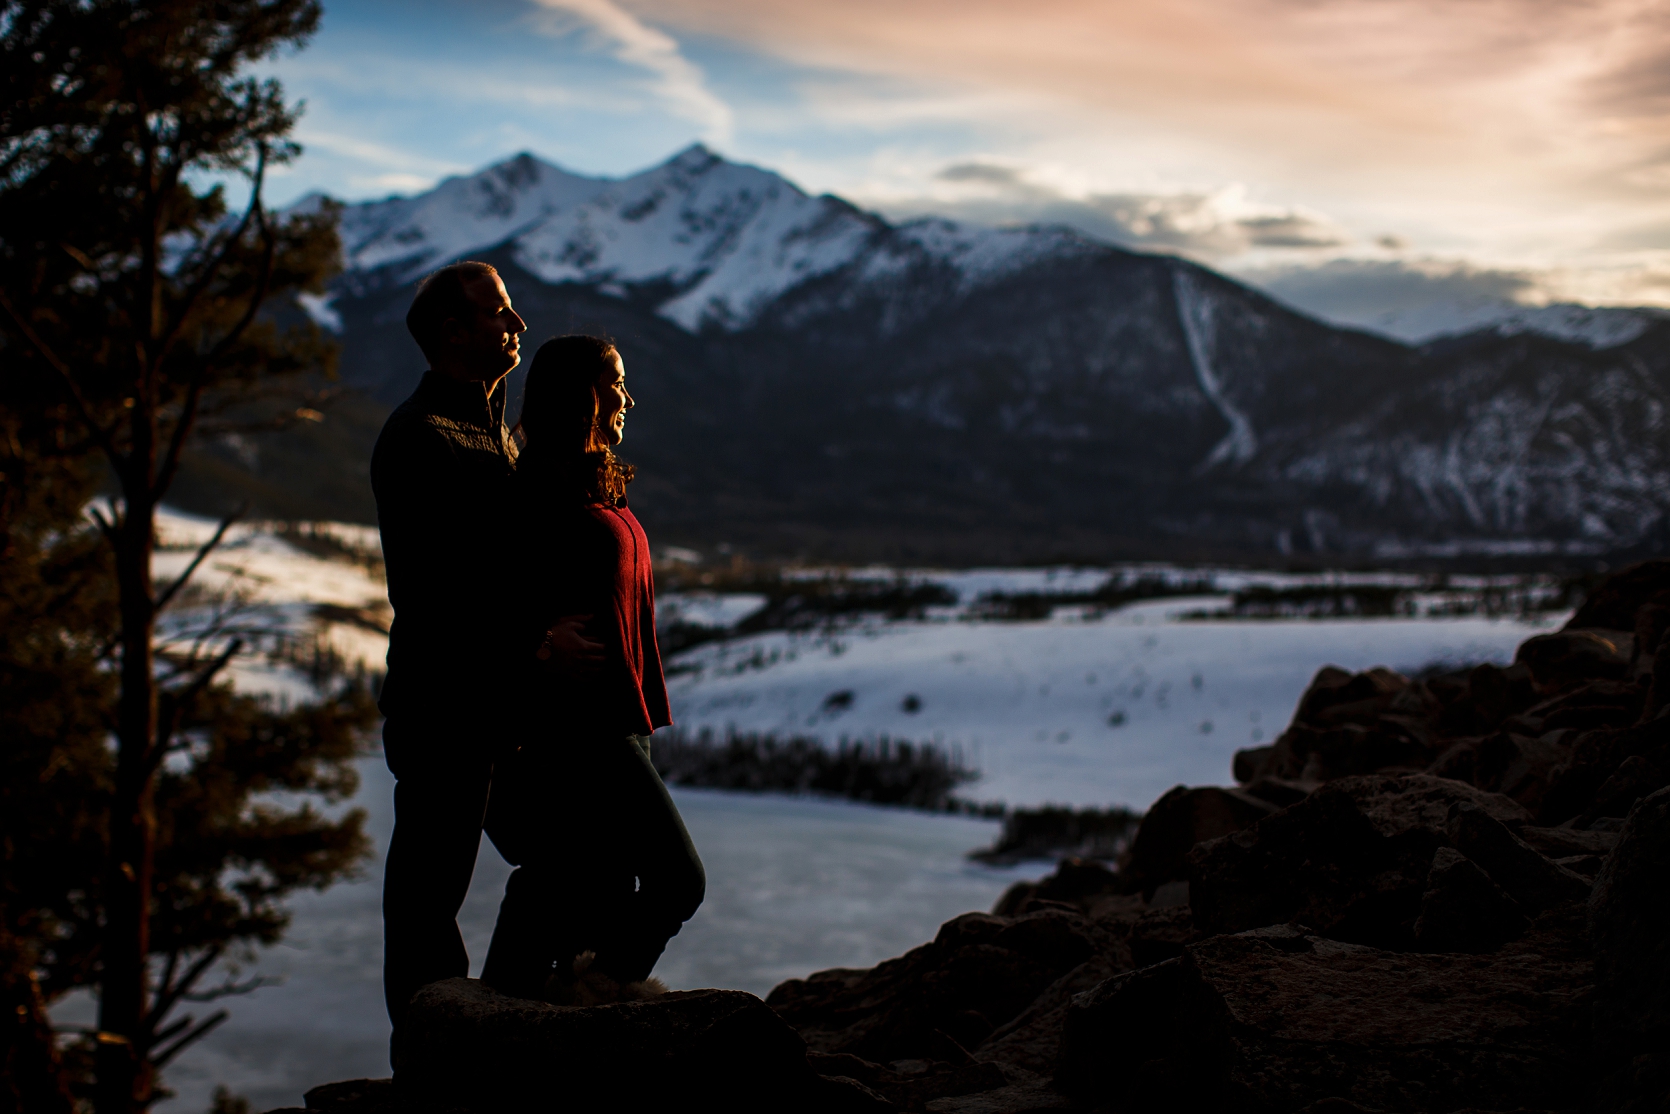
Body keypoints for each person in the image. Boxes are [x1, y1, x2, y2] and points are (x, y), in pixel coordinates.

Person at [370, 263, 600, 1029]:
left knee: (564, 856)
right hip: (443, 711)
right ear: (453, 333)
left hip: (501, 712)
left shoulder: (493, 431)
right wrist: (537, 645)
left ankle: (500, 1021)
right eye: (500, 314)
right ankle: (431, 1069)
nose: (518, 326)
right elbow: (435, 592)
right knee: (428, 903)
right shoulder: (419, 438)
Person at [478, 334, 705, 1004]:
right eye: (613, 383)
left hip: (622, 717)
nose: (626, 397)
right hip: (579, 726)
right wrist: (538, 644)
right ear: (577, 392)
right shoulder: (533, 487)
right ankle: (597, 986)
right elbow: (477, 596)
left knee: (579, 880)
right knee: (674, 879)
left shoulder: (593, 475)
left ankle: (509, 1007)